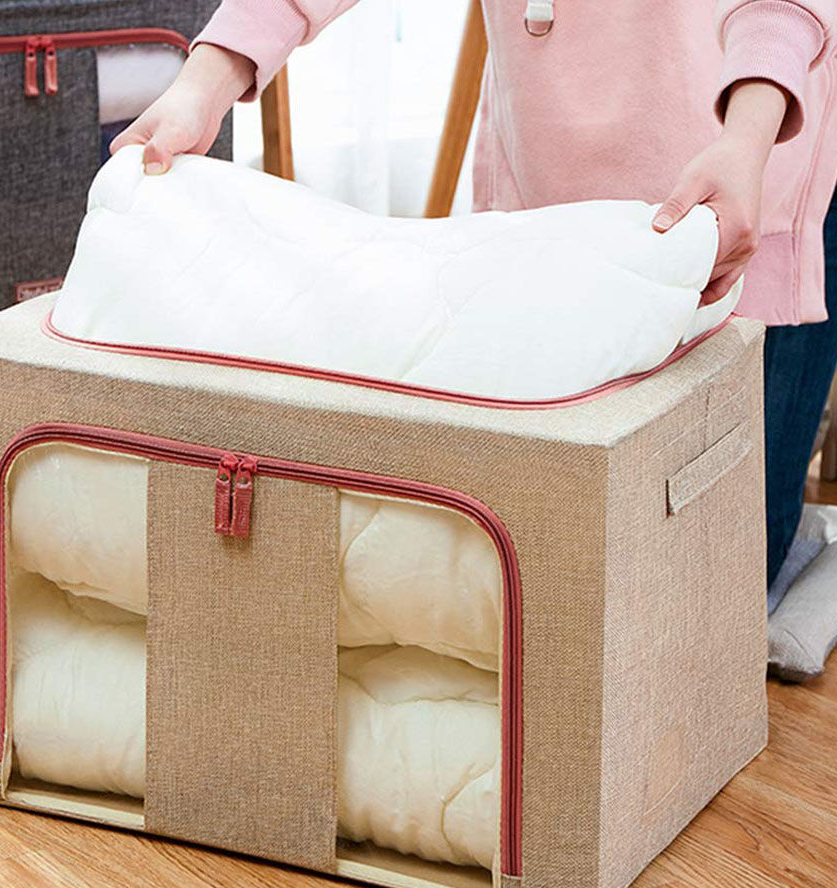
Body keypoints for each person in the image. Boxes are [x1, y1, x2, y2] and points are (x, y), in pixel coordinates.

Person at [111, 0, 837, 590]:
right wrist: (204, 82)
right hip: (556, 209)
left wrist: (747, 143)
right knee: (558, 573)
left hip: (744, 180)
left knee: (719, 579)